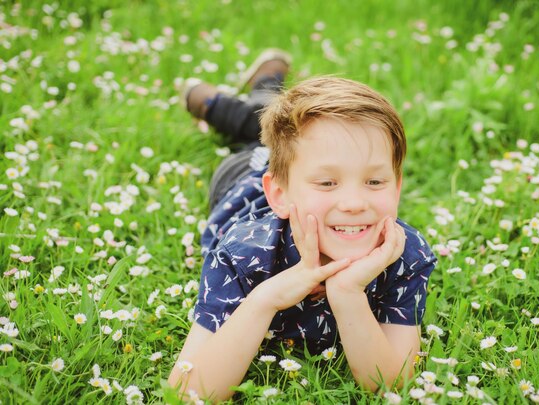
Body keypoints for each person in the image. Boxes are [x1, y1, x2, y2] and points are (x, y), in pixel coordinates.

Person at [168, 49, 437, 402]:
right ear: (279, 194)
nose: (355, 203)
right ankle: (216, 102)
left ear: (398, 187)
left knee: (276, 133)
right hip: (245, 182)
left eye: (375, 182)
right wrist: (265, 299)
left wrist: (348, 293)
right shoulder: (244, 252)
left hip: (289, 171)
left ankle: (249, 91)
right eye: (328, 183)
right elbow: (188, 393)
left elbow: (393, 383)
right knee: (258, 136)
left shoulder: (403, 253)